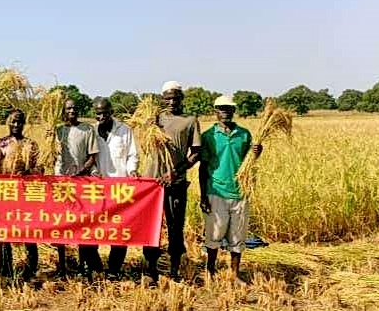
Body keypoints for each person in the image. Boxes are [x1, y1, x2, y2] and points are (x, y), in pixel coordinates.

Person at [142, 81, 202, 282]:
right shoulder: (154, 121)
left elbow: (195, 154)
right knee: (151, 227)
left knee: (175, 227)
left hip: (176, 184)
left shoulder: (190, 121)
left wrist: (175, 173)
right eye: (168, 98)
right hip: (151, 184)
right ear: (162, 99)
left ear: (181, 99)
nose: (172, 102)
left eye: (176, 98)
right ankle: (151, 269)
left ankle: (174, 269)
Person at [199, 95, 261, 279]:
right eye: (221, 108)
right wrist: (203, 196)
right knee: (214, 235)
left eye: (228, 108)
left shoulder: (244, 134)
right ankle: (210, 270)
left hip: (240, 192)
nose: (225, 111)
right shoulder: (208, 136)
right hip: (216, 191)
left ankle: (234, 273)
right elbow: (203, 167)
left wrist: (257, 153)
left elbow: (248, 162)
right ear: (215, 111)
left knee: (237, 236)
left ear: (234, 111)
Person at [0, 109, 42, 280]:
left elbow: (40, 169)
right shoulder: (2, 143)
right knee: (5, 232)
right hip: (6, 194)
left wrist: (29, 172)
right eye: (13, 121)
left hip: (26, 195)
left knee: (29, 231)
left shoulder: (31, 145)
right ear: (8, 122)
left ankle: (30, 269)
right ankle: (6, 268)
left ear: (24, 123)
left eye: (19, 121)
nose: (16, 125)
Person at [53, 97, 100, 278]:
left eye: (74, 108)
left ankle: (83, 266)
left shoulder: (87, 130)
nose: (72, 111)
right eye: (68, 109)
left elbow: (92, 157)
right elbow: (52, 156)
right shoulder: (58, 131)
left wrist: (81, 171)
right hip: (62, 184)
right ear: (63, 111)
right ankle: (62, 266)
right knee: (61, 226)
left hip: (82, 184)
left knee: (82, 226)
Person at [92, 98, 139, 279]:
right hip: (96, 190)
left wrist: (132, 170)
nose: (101, 116)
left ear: (111, 112)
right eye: (98, 113)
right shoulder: (92, 131)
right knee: (92, 229)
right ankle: (96, 267)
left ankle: (114, 270)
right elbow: (89, 158)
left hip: (120, 189)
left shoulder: (124, 131)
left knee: (119, 230)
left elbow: (132, 156)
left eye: (105, 112)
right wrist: (94, 171)